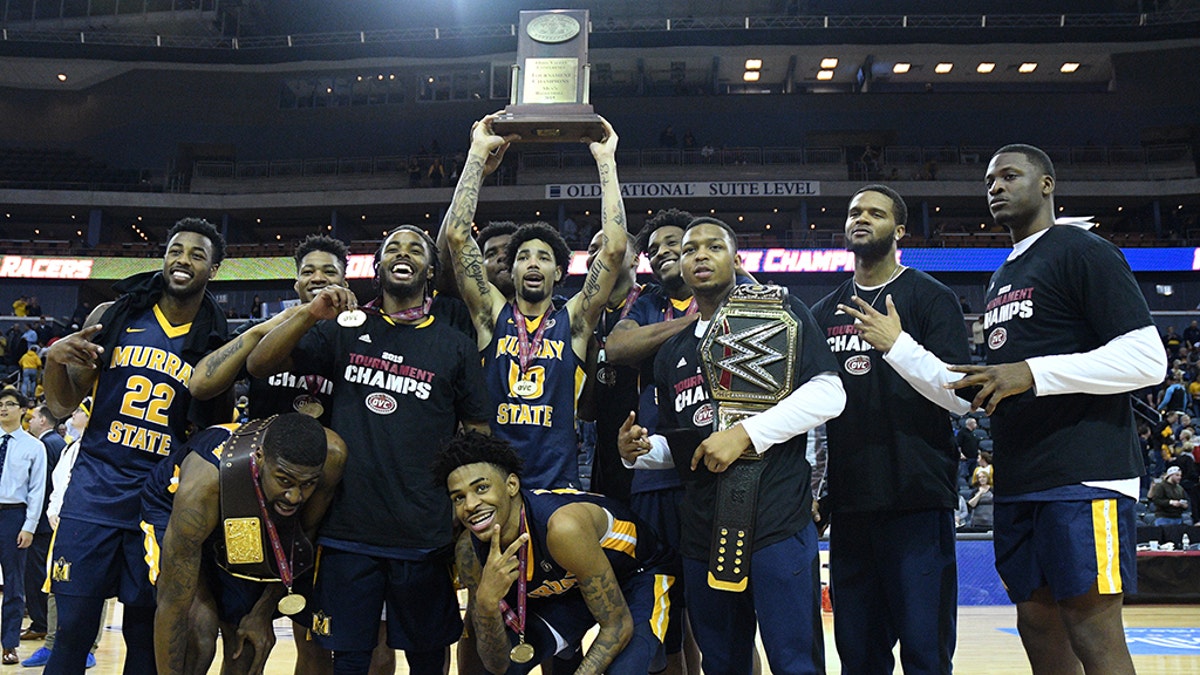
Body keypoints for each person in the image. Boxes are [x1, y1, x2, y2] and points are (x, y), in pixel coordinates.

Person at [947, 144, 1166, 675]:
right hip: (1022, 477)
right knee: (1036, 623)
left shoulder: (1081, 248)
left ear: (1047, 185)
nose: (995, 186)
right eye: (989, 180)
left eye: (1009, 175)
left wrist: (1033, 372)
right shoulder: (1001, 274)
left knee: (1091, 624)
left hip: (1085, 473)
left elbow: (1148, 359)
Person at [248, 225, 491, 675]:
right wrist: (310, 313)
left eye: (415, 249)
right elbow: (260, 364)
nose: (403, 254)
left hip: (423, 531)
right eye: (392, 249)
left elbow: (477, 432)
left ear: (431, 270)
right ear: (377, 268)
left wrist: (464, 504)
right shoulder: (345, 328)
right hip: (348, 530)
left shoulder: (454, 344)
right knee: (351, 659)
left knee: (426, 659)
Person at [619, 218, 845, 675]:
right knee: (722, 664)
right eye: (690, 249)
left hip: (776, 520)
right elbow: (686, 447)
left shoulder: (782, 312)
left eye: (713, 246)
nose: (700, 255)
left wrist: (745, 434)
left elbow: (829, 393)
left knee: (795, 661)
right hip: (702, 530)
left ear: (736, 260)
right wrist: (641, 451)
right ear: (680, 269)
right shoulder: (670, 353)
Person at [189, 234, 398, 674]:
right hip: (253, 508)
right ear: (296, 280)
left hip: (323, 516)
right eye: (308, 272)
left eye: (329, 272)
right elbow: (203, 382)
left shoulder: (362, 339)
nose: (318, 279)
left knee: (318, 644)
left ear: (346, 280)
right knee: (243, 641)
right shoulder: (275, 333)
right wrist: (285, 322)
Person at [41, 217, 229, 674]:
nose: (183, 260)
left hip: (158, 503)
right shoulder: (114, 315)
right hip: (95, 494)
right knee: (72, 636)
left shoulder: (216, 341)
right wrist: (54, 359)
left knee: (146, 642)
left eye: (197, 254)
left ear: (215, 269)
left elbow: (214, 431)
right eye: (176, 249)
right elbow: (63, 405)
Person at [811, 184, 971, 675]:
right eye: (854, 212)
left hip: (918, 501)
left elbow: (962, 397)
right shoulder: (822, 313)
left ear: (899, 230)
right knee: (858, 656)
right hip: (851, 508)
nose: (861, 218)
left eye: (876, 213)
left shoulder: (930, 297)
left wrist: (897, 345)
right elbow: (813, 417)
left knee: (926, 652)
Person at [443, 112, 629, 490]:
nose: (532, 263)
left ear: (559, 273)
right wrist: (477, 155)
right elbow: (459, 238)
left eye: (543, 257)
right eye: (523, 257)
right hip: (494, 482)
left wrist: (606, 160)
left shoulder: (573, 323)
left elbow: (613, 251)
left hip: (557, 482)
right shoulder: (491, 315)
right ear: (510, 272)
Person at [436, 431, 673, 675]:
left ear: (511, 485)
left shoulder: (562, 528)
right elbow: (498, 666)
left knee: (623, 671)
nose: (471, 504)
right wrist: (485, 604)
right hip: (571, 590)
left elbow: (617, 626)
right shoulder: (469, 551)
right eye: (459, 498)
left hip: (637, 575)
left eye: (482, 488)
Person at [147, 413, 347, 674]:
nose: (295, 496)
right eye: (285, 481)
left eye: (307, 484)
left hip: (251, 513)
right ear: (261, 459)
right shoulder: (203, 488)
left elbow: (300, 539)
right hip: (175, 508)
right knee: (199, 635)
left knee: (248, 645)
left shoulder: (332, 457)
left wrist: (262, 613)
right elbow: (173, 603)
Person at [0, 388, 48, 665]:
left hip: (13, 516)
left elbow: (37, 490)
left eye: (9, 404)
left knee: (14, 586)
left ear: (23, 410)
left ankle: (9, 644)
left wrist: (29, 526)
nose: (4, 408)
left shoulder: (34, 447)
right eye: (0, 404)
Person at [22, 405, 64, 643]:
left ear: (44, 421)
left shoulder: (46, 445)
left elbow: (42, 485)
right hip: (50, 521)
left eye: (34, 417)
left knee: (35, 573)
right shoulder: (58, 442)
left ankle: (40, 622)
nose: (30, 421)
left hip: (42, 522)